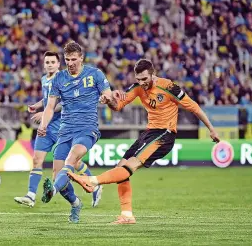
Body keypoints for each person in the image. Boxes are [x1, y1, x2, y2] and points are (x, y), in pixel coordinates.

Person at [68, 59, 220, 224]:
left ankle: (92, 181)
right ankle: (126, 215)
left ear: (152, 75)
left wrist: (211, 129)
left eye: (144, 79)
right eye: (138, 79)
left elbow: (194, 107)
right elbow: (118, 106)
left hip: (165, 134)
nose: (141, 83)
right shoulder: (138, 88)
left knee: (129, 166)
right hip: (149, 133)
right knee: (121, 167)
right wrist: (109, 100)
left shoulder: (168, 87)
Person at [14, 51, 103, 210]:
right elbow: (49, 100)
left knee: (73, 162)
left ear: (58, 64)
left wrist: (45, 112)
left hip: (62, 125)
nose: (49, 64)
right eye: (46, 62)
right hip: (46, 127)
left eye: (52, 62)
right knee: (37, 160)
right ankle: (31, 195)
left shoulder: (63, 79)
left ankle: (94, 184)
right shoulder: (44, 79)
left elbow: (64, 102)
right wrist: (38, 105)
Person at [38, 42, 112, 223]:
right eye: (67, 59)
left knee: (71, 160)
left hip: (87, 129)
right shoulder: (59, 79)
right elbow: (49, 107)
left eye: (73, 59)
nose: (70, 63)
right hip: (65, 131)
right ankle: (75, 203)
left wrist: (105, 98)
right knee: (57, 174)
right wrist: (44, 124)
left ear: (81, 58)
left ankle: (52, 191)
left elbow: (108, 94)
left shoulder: (95, 74)